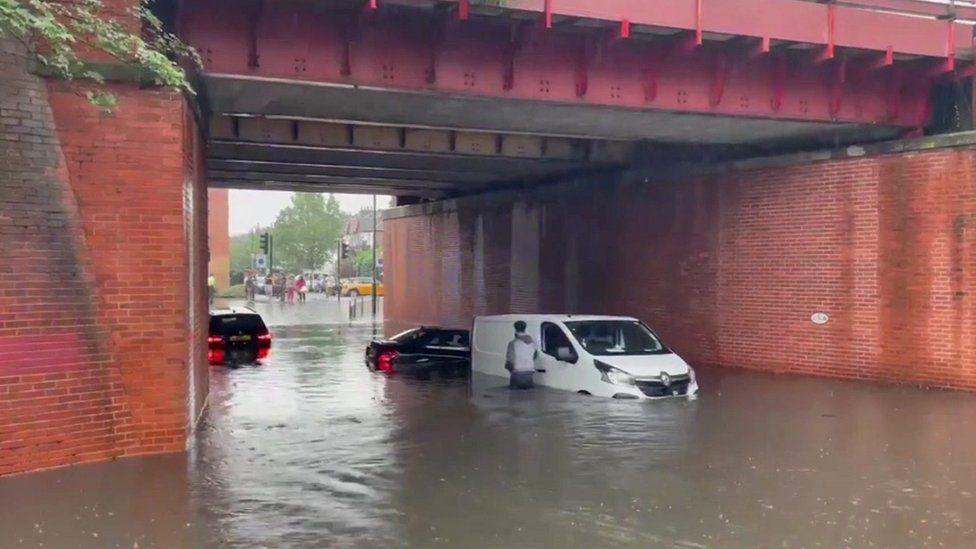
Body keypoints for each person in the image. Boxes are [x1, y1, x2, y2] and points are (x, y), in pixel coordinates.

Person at [505, 320, 539, 390]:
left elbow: (510, 361)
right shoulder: (533, 343)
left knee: (514, 398)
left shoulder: (513, 343)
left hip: (517, 374)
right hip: (530, 374)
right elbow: (535, 356)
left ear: (515, 329)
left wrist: (509, 368)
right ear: (525, 328)